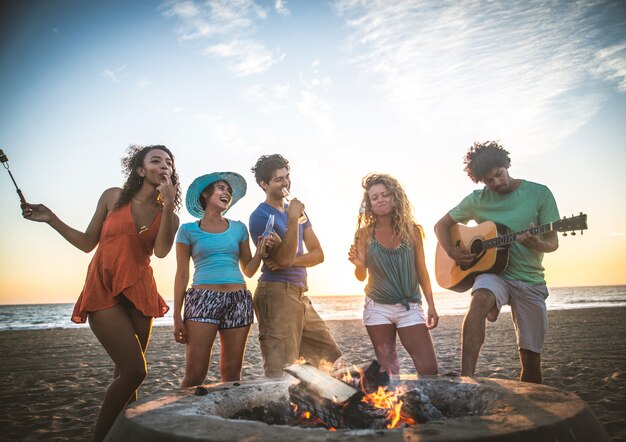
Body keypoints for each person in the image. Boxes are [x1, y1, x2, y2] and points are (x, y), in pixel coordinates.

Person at [22, 144, 180, 441]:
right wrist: (51, 218)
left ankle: (119, 436)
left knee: (124, 376)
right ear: (140, 170)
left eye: (168, 163)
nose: (164, 165)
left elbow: (160, 252)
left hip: (140, 293)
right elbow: (86, 242)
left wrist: (169, 203)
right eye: (156, 160)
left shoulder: (169, 216)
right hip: (103, 287)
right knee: (135, 372)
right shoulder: (113, 197)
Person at [434, 141, 560, 384]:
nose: (496, 183)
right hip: (495, 274)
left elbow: (552, 242)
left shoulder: (539, 193)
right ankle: (466, 379)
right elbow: (441, 225)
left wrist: (538, 244)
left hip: (529, 278)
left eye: (499, 175)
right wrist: (452, 252)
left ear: (507, 165)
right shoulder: (477, 200)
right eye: (489, 180)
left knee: (530, 360)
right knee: (479, 300)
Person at [173, 172, 276, 386]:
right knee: (195, 375)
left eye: (228, 191)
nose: (226, 193)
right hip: (202, 300)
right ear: (206, 194)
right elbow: (182, 274)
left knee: (231, 375)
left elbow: (248, 269)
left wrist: (260, 253)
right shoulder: (188, 230)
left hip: (238, 300)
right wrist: (176, 315)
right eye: (221, 188)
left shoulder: (239, 228)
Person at [249, 154, 342, 378]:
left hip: (300, 293)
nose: (285, 182)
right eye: (278, 179)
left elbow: (318, 254)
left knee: (328, 354)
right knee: (281, 366)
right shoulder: (260, 216)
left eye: (287, 176)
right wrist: (291, 219)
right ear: (264, 184)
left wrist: (289, 259)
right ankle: (283, 408)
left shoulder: (298, 212)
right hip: (276, 292)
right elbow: (280, 261)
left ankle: (315, 404)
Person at [348, 173, 439, 376]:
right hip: (377, 308)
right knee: (390, 373)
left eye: (385, 195)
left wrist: (431, 304)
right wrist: (359, 264)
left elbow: (421, 269)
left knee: (429, 370)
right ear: (369, 204)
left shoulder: (412, 230)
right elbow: (361, 276)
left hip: (410, 306)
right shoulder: (363, 234)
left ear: (395, 198)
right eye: (374, 197)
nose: (380, 200)